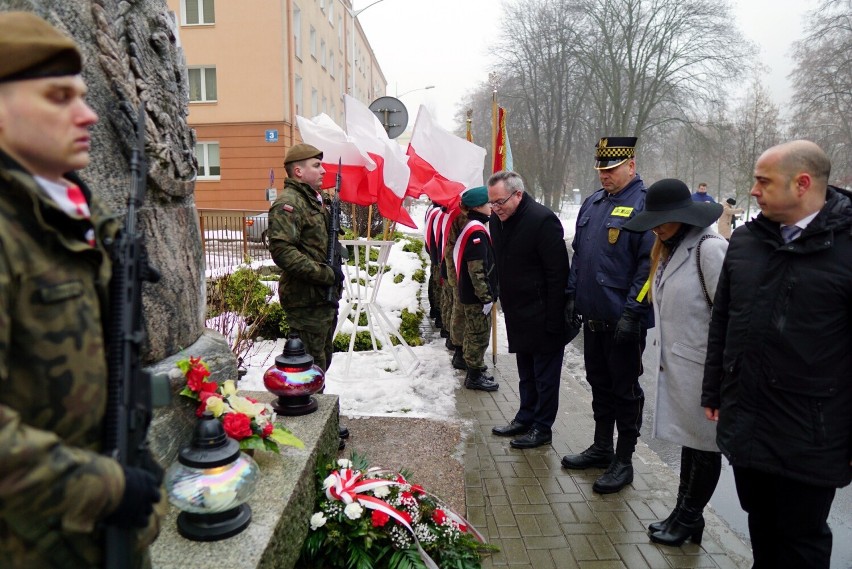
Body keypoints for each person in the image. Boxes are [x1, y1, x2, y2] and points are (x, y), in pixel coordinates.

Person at [0, 11, 163, 568]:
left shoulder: (74, 213)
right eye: (58, 96)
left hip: (97, 536)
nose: (87, 115)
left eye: (84, 96)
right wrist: (109, 488)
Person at [701, 140, 852, 569]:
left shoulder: (846, 248)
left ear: (802, 184)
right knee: (762, 526)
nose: (753, 190)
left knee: (801, 539)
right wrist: (714, 388)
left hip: (812, 432)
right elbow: (724, 322)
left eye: (763, 181)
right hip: (748, 421)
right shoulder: (747, 241)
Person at [622, 179, 726, 546]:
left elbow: (728, 316)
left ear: (684, 216)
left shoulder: (710, 250)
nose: (656, 226)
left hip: (704, 370)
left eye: (663, 219)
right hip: (681, 368)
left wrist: (721, 376)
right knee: (690, 443)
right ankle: (683, 512)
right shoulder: (669, 247)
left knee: (705, 445)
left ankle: (689, 516)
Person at [562, 136, 654, 494]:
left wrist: (634, 312)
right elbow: (579, 255)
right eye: (601, 169)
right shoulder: (594, 203)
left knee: (625, 391)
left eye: (612, 169)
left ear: (631, 165)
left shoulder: (644, 205)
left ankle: (624, 459)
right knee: (599, 385)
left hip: (623, 322)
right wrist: (572, 295)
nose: (605, 176)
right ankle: (602, 447)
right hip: (595, 320)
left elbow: (649, 266)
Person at [267, 143, 348, 447]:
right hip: (305, 297)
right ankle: (314, 428)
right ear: (298, 171)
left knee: (321, 360)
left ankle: (319, 419)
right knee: (308, 363)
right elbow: (283, 251)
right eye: (316, 166)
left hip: (323, 296)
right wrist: (323, 273)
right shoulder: (289, 204)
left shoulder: (315, 201)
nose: (323, 170)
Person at [488, 171, 570, 449]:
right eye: (492, 203)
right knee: (526, 373)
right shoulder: (495, 221)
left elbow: (558, 274)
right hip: (517, 312)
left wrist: (555, 318)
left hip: (544, 312)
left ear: (518, 194)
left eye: (500, 202)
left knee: (545, 376)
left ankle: (542, 427)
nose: (496, 208)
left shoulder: (542, 220)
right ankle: (525, 417)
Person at [453, 186, 499, 391]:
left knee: (476, 333)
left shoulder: (474, 226)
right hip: (476, 297)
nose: (492, 206)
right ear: (479, 207)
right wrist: (486, 297)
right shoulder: (476, 232)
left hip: (472, 295)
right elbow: (477, 270)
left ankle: (477, 369)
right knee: (478, 334)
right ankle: (473, 376)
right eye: (489, 203)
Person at [442, 205, 469, 371]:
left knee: (455, 310)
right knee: (459, 313)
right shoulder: (462, 219)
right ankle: (459, 351)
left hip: (454, 271)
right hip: (459, 273)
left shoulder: (456, 216)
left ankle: (456, 344)